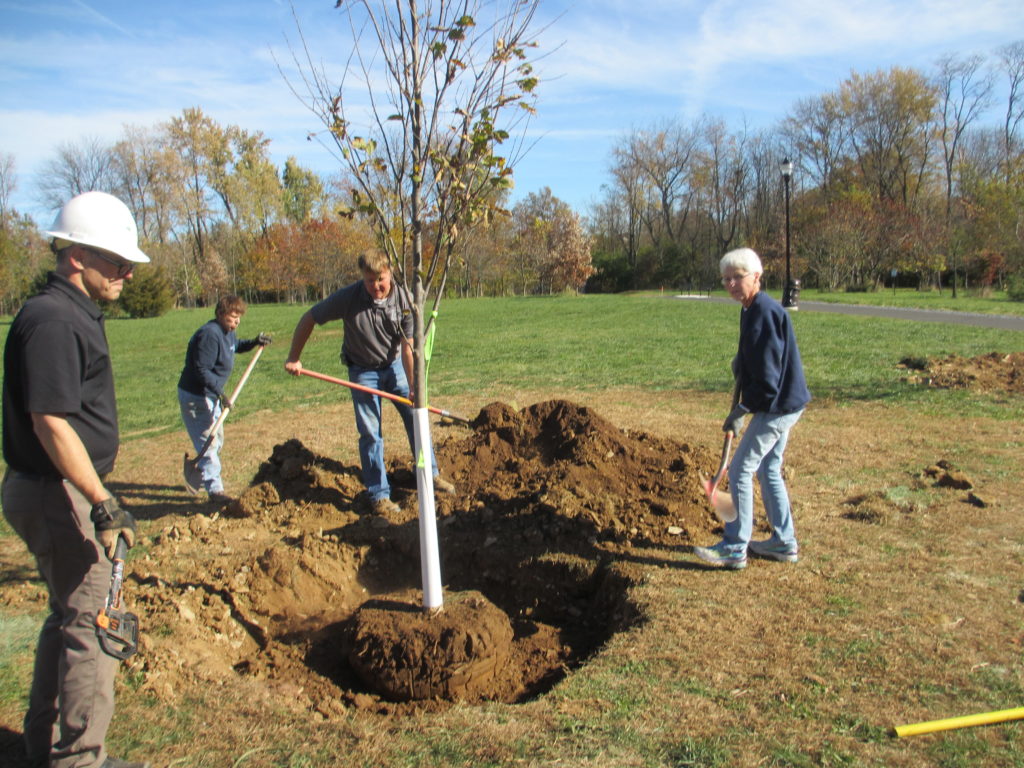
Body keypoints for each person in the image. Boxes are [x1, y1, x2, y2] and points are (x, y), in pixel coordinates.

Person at [2, 191, 152, 768]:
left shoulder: (68, 312)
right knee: (91, 622)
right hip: (54, 491)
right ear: (75, 256)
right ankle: (79, 760)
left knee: (68, 615)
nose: (126, 272)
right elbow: (50, 421)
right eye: (115, 261)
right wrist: (101, 500)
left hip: (51, 488)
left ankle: (43, 747)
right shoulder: (54, 320)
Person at [284, 249, 454, 514]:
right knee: (370, 432)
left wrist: (413, 385)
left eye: (381, 279)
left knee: (416, 416)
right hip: (362, 370)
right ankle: (379, 494)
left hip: (395, 364)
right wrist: (294, 357)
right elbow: (310, 317)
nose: (376, 286)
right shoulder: (349, 297)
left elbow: (408, 347)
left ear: (391, 274)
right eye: (370, 280)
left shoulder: (404, 299)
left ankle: (429, 474)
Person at [694, 247, 811, 570]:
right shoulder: (750, 308)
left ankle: (734, 546)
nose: (731, 283)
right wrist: (742, 363)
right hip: (785, 401)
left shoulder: (765, 312)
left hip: (776, 405)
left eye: (738, 277)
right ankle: (783, 542)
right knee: (768, 468)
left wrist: (742, 410)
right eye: (726, 279)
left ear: (756, 277)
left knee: (742, 469)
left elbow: (770, 381)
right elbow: (761, 357)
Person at [177, 295, 270, 502]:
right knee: (208, 442)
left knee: (216, 439)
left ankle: (203, 467)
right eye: (232, 317)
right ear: (220, 314)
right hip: (196, 396)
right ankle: (215, 491)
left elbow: (235, 346)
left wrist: (255, 342)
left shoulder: (227, 332)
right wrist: (220, 393)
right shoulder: (209, 335)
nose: (236, 321)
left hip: (211, 394)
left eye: (239, 317)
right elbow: (201, 369)